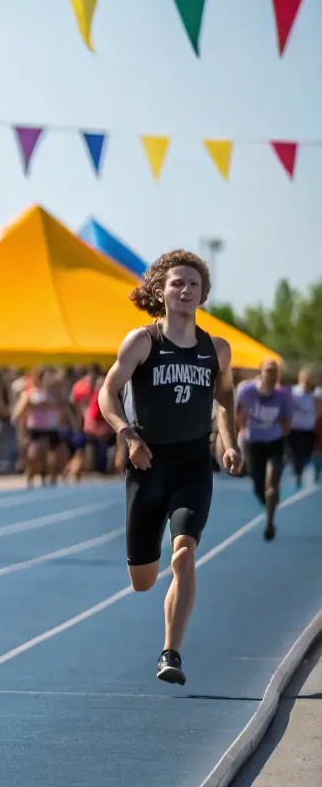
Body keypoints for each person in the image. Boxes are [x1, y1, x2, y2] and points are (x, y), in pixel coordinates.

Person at [98, 250, 242, 686]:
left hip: (193, 464)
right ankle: (157, 578)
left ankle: (171, 653)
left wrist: (229, 443)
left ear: (203, 295)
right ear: (160, 291)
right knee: (143, 580)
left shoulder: (216, 349)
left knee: (184, 554)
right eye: (177, 283)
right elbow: (107, 395)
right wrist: (128, 435)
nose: (185, 290)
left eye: (193, 284)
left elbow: (226, 398)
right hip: (147, 463)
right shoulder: (142, 342)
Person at [236, 358, 292, 540]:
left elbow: (287, 421)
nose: (272, 375)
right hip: (253, 442)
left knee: (272, 486)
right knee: (258, 485)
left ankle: (269, 522)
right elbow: (237, 413)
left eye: (275, 372)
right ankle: (267, 501)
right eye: (268, 371)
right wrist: (241, 430)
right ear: (261, 372)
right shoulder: (247, 390)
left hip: (274, 441)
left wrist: (281, 435)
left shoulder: (283, 395)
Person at [287, 368, 319, 488]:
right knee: (294, 454)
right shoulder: (294, 392)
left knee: (306, 454)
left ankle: (300, 470)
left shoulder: (314, 395)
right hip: (295, 428)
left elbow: (316, 410)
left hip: (308, 429)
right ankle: (297, 472)